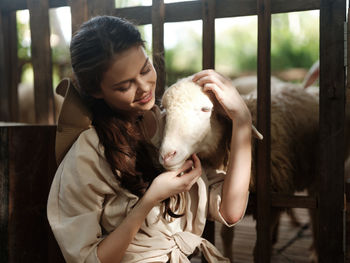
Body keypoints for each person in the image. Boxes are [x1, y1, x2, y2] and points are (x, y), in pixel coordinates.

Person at [47, 15, 252, 263]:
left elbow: (230, 212)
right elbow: (87, 258)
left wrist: (242, 121)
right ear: (96, 91)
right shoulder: (89, 153)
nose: (144, 87)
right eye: (125, 86)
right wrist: (150, 200)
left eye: (146, 69)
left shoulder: (172, 127)